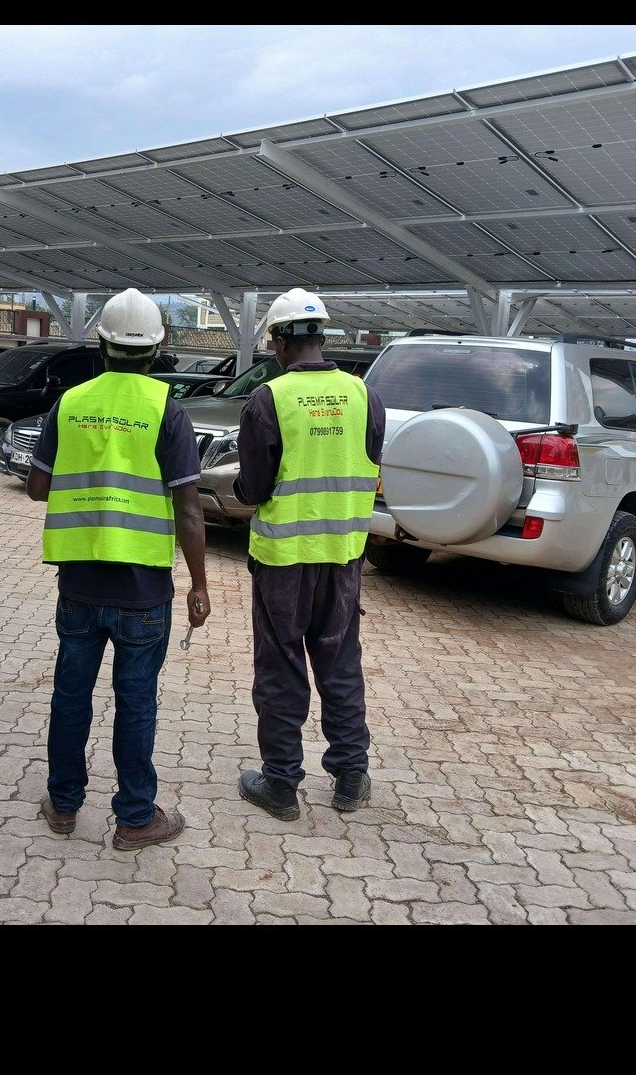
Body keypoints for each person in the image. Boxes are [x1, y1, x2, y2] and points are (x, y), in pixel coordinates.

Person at [27, 287, 211, 850]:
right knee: (136, 704)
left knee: (70, 697)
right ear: (157, 349)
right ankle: (134, 818)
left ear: (100, 344)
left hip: (79, 585)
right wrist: (200, 586)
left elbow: (37, 486)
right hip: (143, 592)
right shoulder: (166, 410)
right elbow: (188, 506)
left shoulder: (71, 402)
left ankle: (62, 805)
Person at [233, 288, 386, 821]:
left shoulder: (268, 400)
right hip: (343, 558)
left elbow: (252, 489)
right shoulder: (366, 395)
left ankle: (280, 784)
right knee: (340, 663)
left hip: (282, 563)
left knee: (280, 669)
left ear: (276, 341)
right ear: (322, 337)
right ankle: (350, 778)